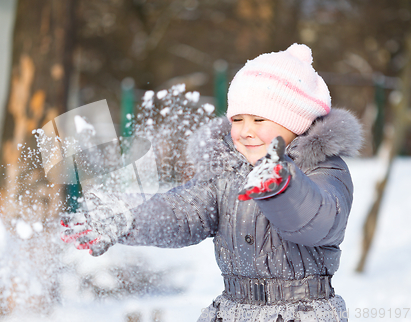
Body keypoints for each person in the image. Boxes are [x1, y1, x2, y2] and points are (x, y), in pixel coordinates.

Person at [61, 43, 363, 322]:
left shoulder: (325, 170)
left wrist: (280, 184)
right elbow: (183, 210)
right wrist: (128, 215)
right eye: (237, 119)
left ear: (297, 123)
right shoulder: (226, 174)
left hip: (302, 312)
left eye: (259, 121)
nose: (245, 131)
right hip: (233, 311)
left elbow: (320, 219)